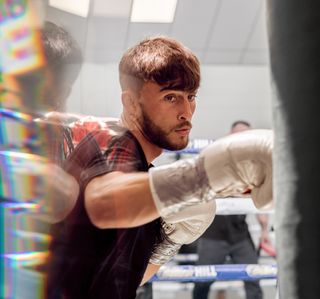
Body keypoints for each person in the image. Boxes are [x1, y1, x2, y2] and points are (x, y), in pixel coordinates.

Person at [47, 37, 273, 299]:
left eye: (190, 97)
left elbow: (125, 277)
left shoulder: (142, 181)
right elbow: (104, 202)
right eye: (170, 97)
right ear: (131, 103)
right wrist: (207, 176)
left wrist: (169, 241)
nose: (186, 111)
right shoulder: (114, 141)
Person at [192, 120, 272, 299]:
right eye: (238, 136)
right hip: (213, 234)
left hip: (240, 234)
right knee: (202, 281)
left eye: (246, 137)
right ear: (230, 137)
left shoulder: (254, 163)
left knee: (254, 277)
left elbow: (262, 195)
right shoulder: (216, 157)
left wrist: (264, 230)